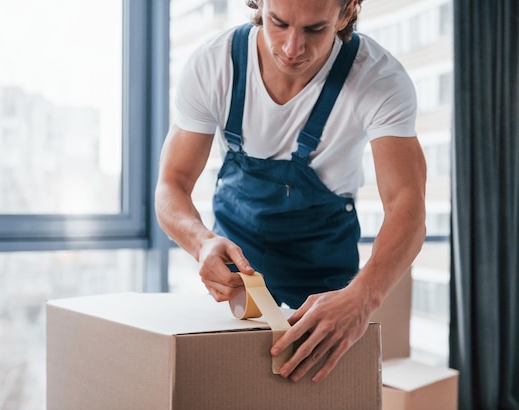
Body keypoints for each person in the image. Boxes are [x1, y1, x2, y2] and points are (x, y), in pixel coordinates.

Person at [155, 0, 426, 383]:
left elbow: (407, 208)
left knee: (322, 394)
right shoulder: (215, 64)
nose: (291, 48)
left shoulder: (379, 79)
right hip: (236, 267)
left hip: (324, 266)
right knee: (228, 390)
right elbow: (171, 185)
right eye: (278, 23)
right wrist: (201, 243)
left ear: (347, 13)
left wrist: (363, 297)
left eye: (314, 29)